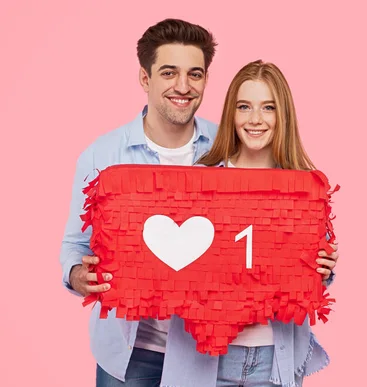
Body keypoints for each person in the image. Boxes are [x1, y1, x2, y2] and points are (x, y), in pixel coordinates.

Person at [59, 19, 339, 387]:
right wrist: (80, 275)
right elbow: (75, 246)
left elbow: (279, 251)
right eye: (169, 72)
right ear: (145, 78)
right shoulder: (103, 155)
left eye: (194, 74)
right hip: (135, 350)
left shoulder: (219, 151)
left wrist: (322, 266)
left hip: (224, 351)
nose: (182, 85)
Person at [196, 59, 336, 386]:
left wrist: (324, 271)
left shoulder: (305, 186)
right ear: (231, 113)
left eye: (268, 108)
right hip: (210, 360)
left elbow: (311, 282)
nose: (255, 120)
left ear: (282, 115)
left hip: (275, 358)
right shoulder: (200, 181)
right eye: (244, 107)